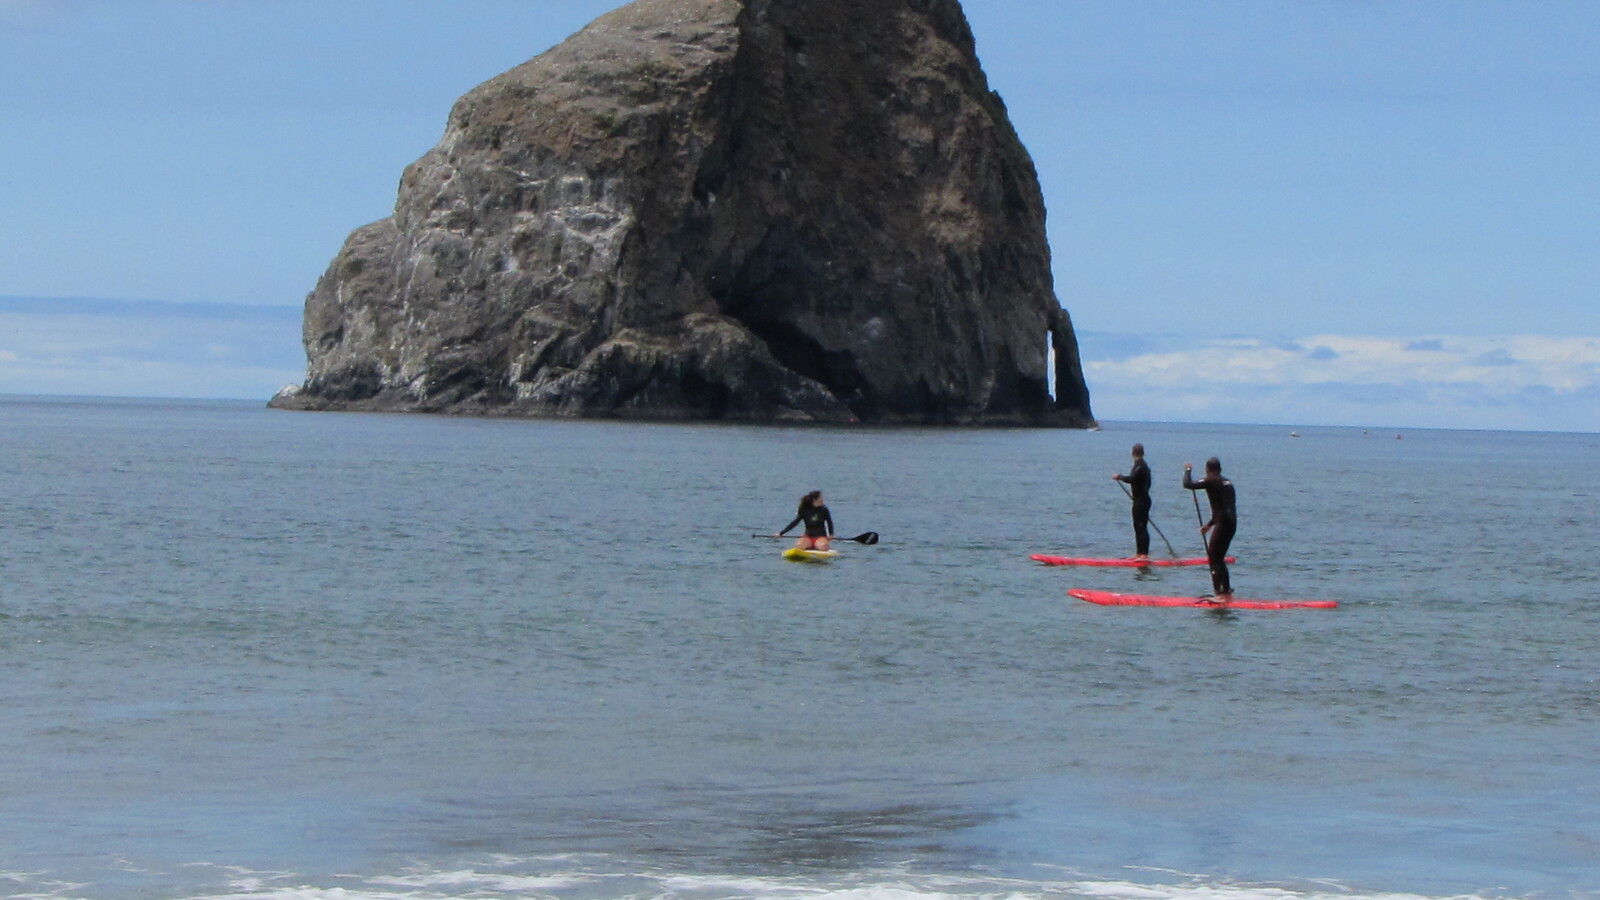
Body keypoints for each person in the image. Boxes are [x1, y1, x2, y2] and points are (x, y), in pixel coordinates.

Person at [1183, 457, 1236, 599]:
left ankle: (1220, 593)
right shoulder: (1227, 482)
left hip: (1223, 523)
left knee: (1214, 557)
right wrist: (1209, 525)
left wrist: (1187, 470)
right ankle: (1225, 592)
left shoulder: (1211, 480)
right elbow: (1223, 509)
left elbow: (1187, 484)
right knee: (1219, 557)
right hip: (1230, 523)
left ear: (1208, 470)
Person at [1111, 443, 1152, 559]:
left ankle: (1144, 554)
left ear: (1133, 453)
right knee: (1137, 526)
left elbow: (1132, 479)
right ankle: (1139, 553)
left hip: (1142, 500)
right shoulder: (1139, 465)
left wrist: (1119, 477)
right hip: (1139, 500)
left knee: (1141, 526)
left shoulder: (1141, 466)